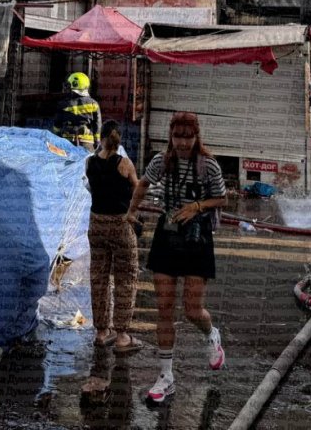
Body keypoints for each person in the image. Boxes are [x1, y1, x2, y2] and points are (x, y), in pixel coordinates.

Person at [125, 112, 227, 403]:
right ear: (170, 136)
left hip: (197, 237)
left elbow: (222, 198)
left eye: (188, 137)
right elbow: (143, 183)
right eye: (178, 137)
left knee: (193, 310)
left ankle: (212, 334)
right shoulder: (162, 161)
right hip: (167, 235)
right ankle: (166, 376)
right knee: (165, 309)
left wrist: (197, 206)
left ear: (196, 137)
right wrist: (131, 211)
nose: (183, 143)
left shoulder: (207, 164)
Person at [83, 120, 142, 398]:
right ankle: (121, 336)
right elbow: (138, 190)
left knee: (99, 278)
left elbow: (92, 189)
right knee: (126, 278)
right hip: (120, 225)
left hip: (96, 224)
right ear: (119, 140)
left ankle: (100, 332)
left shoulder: (89, 163)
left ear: (101, 137)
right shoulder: (125, 165)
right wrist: (133, 213)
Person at [53, 71, 101, 149]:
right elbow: (97, 124)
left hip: (67, 142)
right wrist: (97, 141)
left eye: (69, 85)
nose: (67, 88)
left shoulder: (63, 104)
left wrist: (56, 138)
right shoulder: (94, 104)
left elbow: (57, 125)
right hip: (87, 142)